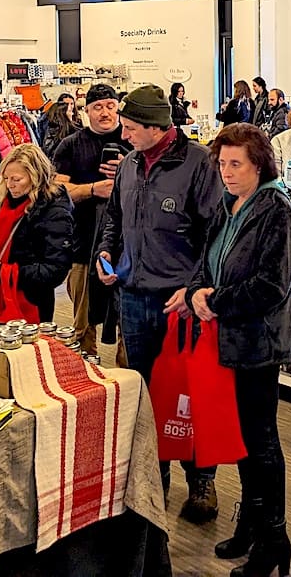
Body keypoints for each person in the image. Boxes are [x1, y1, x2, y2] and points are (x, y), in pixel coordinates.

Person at [96, 85, 221, 522]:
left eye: (130, 128)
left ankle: (202, 478)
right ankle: (154, 476)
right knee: (144, 393)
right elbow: (114, 215)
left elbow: (214, 233)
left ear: (155, 127)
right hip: (133, 294)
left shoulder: (200, 164)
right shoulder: (130, 163)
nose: (124, 135)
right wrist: (105, 252)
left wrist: (195, 288)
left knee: (191, 393)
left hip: (180, 304)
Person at [184, 123, 291, 577]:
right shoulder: (230, 206)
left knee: (260, 441)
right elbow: (205, 259)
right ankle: (252, 524)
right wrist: (195, 291)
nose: (226, 172)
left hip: (257, 343)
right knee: (244, 439)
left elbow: (273, 285)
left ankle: (274, 540)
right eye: (221, 163)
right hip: (228, 338)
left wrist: (215, 302)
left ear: (258, 165)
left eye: (236, 164)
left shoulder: (276, 210)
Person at [52, 84, 132, 355]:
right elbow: (57, 193)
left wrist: (129, 170)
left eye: (110, 106)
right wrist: (93, 189)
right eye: (97, 107)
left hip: (128, 247)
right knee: (82, 324)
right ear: (86, 111)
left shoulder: (133, 141)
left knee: (127, 324)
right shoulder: (70, 145)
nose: (105, 113)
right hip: (82, 245)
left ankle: (128, 384)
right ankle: (84, 380)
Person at [0, 144, 74, 323]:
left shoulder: (54, 210)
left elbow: (55, 270)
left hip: (31, 303)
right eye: (6, 178)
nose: (9, 185)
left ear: (35, 177)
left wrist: (4, 273)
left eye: (16, 179)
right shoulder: (3, 201)